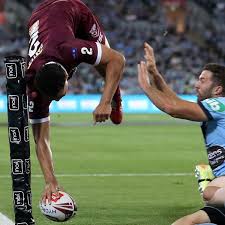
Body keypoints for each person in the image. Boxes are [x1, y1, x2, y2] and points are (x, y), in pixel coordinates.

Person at [26, 0, 125, 203]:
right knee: (101, 60)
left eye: (60, 95)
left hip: (71, 10)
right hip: (39, 20)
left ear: (66, 76)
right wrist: (50, 180)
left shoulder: (70, 50)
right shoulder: (34, 90)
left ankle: (116, 99)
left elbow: (118, 59)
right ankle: (111, 97)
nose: (60, 99)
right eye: (54, 98)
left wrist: (104, 102)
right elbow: (41, 140)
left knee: (105, 62)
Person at [138, 42, 225, 225]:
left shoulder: (219, 104)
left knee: (209, 193)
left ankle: (206, 183)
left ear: (218, 90)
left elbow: (172, 108)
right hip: (222, 180)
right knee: (185, 220)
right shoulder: (215, 107)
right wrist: (154, 73)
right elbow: (175, 101)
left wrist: (146, 86)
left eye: (202, 80)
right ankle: (207, 182)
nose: (196, 85)